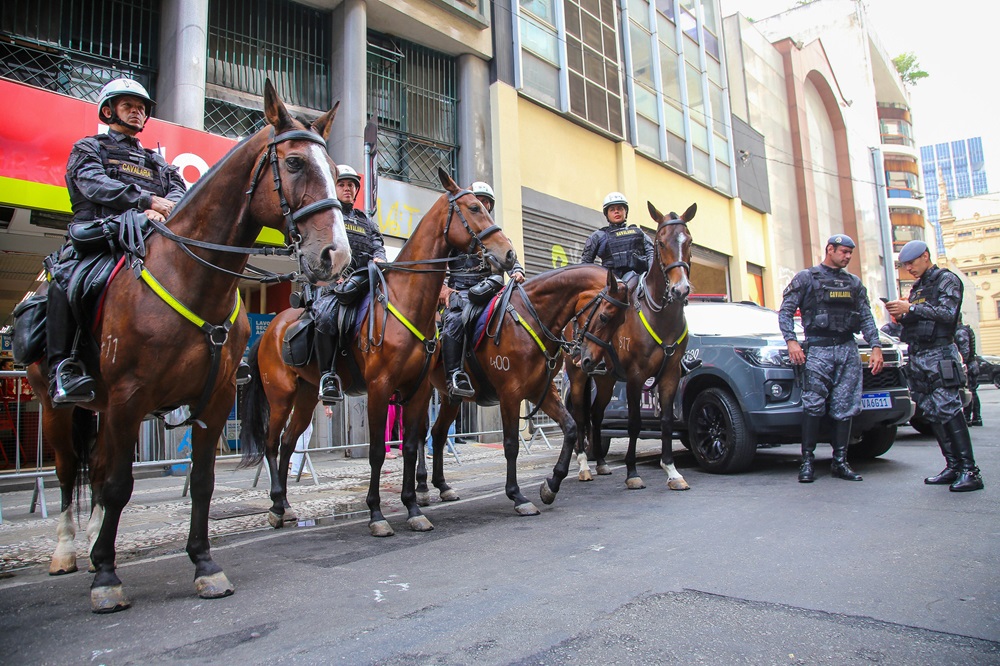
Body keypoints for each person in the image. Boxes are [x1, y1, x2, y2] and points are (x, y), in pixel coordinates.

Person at [47, 78, 186, 404]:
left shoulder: (156, 162)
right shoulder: (88, 148)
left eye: (141, 108)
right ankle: (62, 370)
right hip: (99, 233)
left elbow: (179, 190)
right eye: (129, 106)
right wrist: (147, 202)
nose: (137, 112)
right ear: (109, 111)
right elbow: (93, 185)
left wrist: (165, 212)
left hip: (150, 233)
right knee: (63, 281)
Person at [778, 234, 884, 483]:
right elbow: (784, 311)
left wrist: (876, 345)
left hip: (847, 349)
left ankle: (840, 462)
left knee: (845, 407)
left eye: (850, 253)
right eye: (844, 252)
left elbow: (867, 317)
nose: (847, 256)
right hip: (818, 349)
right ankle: (807, 462)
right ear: (830, 249)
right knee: (813, 405)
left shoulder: (854, 283)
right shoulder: (806, 278)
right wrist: (791, 341)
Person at [886, 240, 984, 491]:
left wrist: (912, 308)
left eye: (912, 263)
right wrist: (902, 315)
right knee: (933, 412)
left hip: (940, 354)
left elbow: (947, 314)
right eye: (905, 265)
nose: (909, 268)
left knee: (950, 410)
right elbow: (918, 318)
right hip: (921, 356)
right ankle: (953, 466)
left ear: (926, 256)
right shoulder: (919, 287)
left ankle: (969, 470)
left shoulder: (946, 280)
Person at [441, 181, 525, 398]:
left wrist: (517, 271)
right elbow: (438, 268)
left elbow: (511, 258)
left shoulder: (497, 236)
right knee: (454, 320)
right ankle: (454, 375)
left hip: (491, 290)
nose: (484, 205)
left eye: (487, 202)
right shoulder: (456, 236)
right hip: (460, 293)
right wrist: (444, 290)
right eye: (480, 201)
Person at [314, 164, 387, 403]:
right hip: (336, 285)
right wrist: (335, 276)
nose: (347, 189)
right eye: (342, 185)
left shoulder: (367, 222)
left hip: (366, 282)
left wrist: (380, 258)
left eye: (351, 185)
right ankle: (328, 376)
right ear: (334, 187)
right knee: (325, 317)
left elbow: (378, 247)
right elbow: (319, 251)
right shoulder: (326, 217)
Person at [580, 192, 654, 280]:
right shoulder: (598, 236)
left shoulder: (639, 233)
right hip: (610, 284)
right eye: (612, 209)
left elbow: (651, 255)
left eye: (620, 208)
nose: (616, 211)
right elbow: (586, 265)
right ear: (607, 214)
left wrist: (651, 276)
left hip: (639, 281)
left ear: (625, 211)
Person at [954, 318, 983, 427]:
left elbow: (965, 352)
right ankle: (976, 418)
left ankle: (968, 418)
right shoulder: (965, 330)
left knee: (970, 391)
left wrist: (962, 364)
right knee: (973, 391)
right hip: (972, 364)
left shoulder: (961, 332)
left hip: (969, 366)